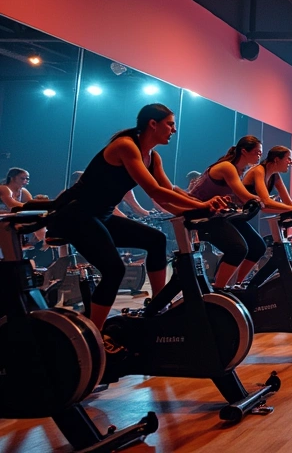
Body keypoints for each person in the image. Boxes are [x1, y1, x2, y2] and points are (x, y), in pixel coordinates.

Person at [45, 104, 227, 331]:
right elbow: (155, 192)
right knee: (114, 270)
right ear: (153, 124)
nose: (174, 130)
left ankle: (158, 306)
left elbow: (169, 190)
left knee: (156, 240)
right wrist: (202, 205)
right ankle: (94, 336)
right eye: (170, 124)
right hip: (75, 215)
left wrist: (202, 208)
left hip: (102, 215)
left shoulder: (153, 157)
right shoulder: (126, 146)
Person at [189, 135, 268, 288]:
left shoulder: (240, 170)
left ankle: (235, 284)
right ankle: (218, 290)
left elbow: (238, 200)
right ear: (244, 151)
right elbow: (244, 196)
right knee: (238, 249)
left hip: (217, 214)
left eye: (261, 152)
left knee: (258, 246)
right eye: (257, 152)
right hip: (200, 213)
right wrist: (264, 200)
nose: (260, 155)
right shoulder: (227, 167)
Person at [241, 145, 292, 214]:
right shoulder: (259, 170)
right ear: (276, 159)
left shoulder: (275, 175)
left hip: (246, 212)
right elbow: (266, 201)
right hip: (236, 210)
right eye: (288, 159)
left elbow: (288, 202)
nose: (291, 162)